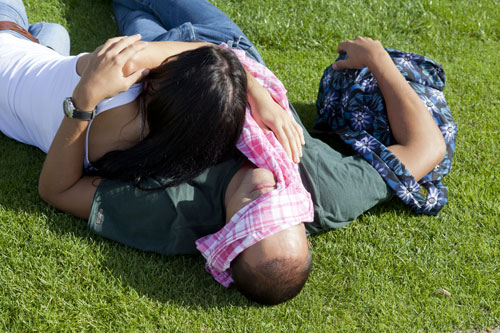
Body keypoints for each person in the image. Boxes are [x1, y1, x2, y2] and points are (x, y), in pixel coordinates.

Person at [1, 0, 448, 305]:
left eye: (258, 208)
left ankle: (25, 34)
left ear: (227, 226)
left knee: (128, 10)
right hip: (223, 55)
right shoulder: (330, 193)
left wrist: (83, 102)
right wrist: (377, 61)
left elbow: (59, 189)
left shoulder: (176, 211)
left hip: (169, 80)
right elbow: (427, 148)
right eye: (287, 209)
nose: (271, 186)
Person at [0, 0, 304, 218]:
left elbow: (213, 51)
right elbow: (213, 53)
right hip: (34, 53)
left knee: (41, 28)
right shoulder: (152, 155)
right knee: (54, 32)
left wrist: (83, 101)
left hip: (6, 43)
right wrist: (258, 96)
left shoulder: (126, 70)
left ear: (164, 85)